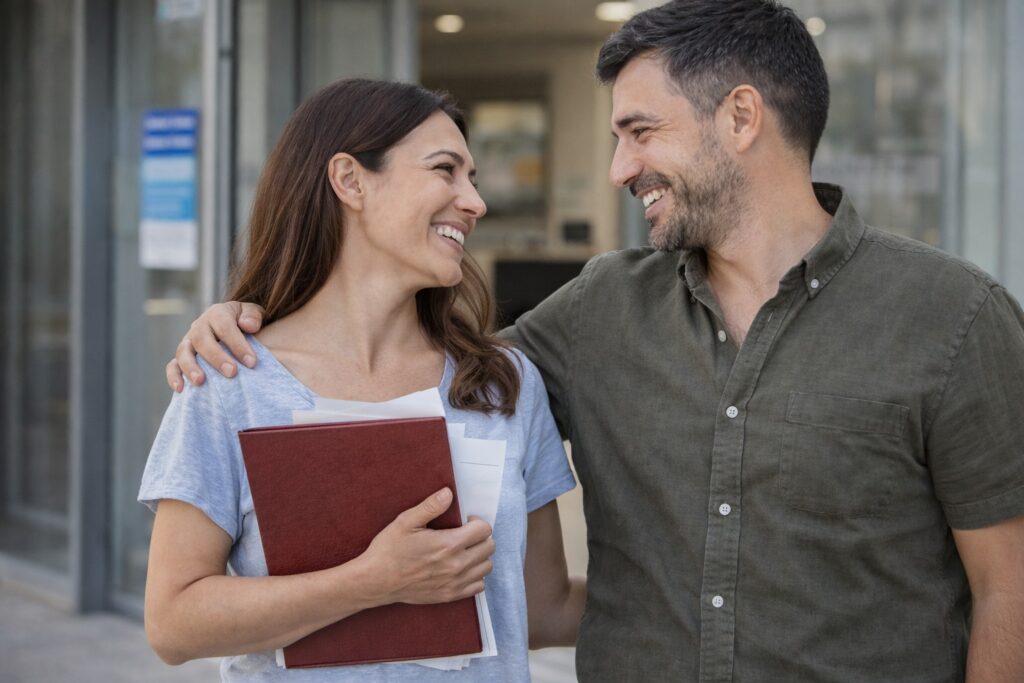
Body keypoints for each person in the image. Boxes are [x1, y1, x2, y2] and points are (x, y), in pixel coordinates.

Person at [167, 1, 1024, 681]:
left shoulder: (953, 319)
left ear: (740, 117)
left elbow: (1007, 588)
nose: (619, 168)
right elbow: (411, 370)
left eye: (639, 131)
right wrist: (246, 320)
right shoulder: (598, 310)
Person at [139, 78, 585, 682]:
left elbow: (544, 608)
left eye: (473, 178)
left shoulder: (503, 383)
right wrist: (371, 582)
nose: (474, 202)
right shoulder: (228, 378)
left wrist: (730, 596)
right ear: (350, 180)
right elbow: (172, 625)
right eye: (446, 169)